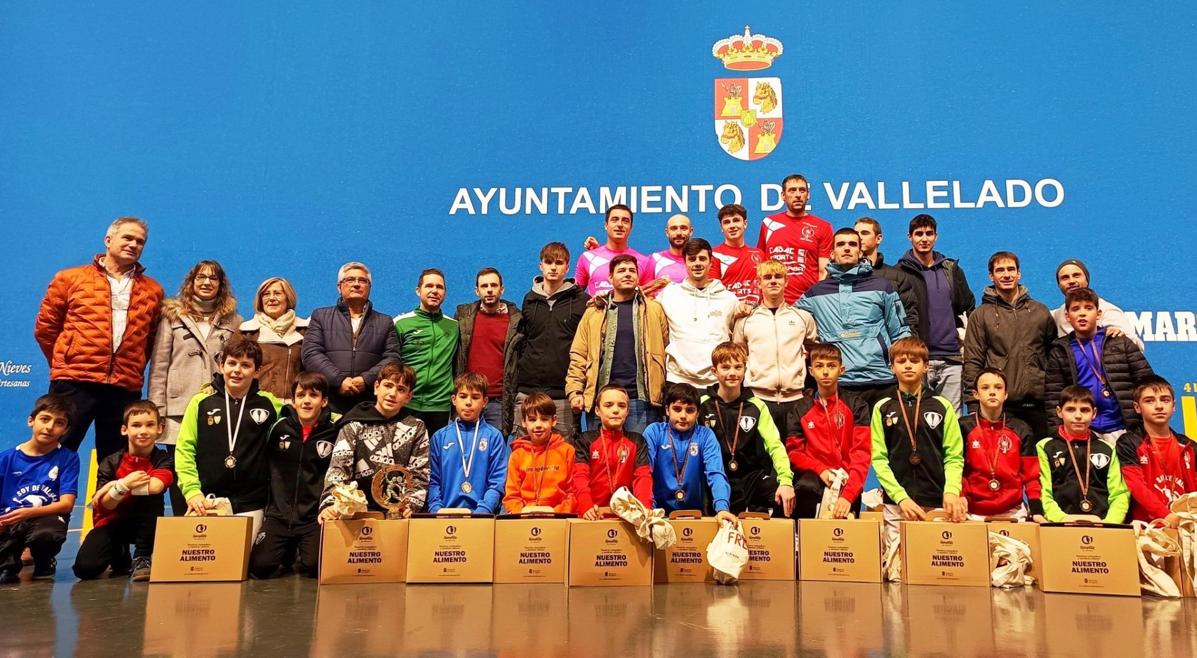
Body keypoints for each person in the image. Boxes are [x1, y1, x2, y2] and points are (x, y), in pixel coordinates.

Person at [35, 216, 164, 459]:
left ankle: (106, 499)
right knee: (58, 447)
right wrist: (67, 359)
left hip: (123, 387)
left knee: (117, 457)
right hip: (74, 381)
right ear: (108, 240)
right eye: (127, 237)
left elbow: (150, 341)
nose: (133, 244)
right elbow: (46, 328)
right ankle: (46, 498)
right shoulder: (70, 278)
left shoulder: (153, 290)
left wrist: (130, 367)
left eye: (140, 241)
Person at [175, 336, 282, 538]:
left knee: (243, 562)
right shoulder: (201, 402)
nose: (237, 370)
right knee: (207, 562)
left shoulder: (269, 405)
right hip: (208, 500)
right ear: (221, 365)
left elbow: (303, 415)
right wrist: (192, 492)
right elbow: (184, 450)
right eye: (231, 363)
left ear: (257, 371)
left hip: (251, 501)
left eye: (246, 365)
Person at [797, 228, 911, 411]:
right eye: (841, 244)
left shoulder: (882, 287)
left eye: (852, 244)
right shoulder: (815, 293)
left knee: (883, 439)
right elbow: (788, 322)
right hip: (839, 382)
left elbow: (900, 333)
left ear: (860, 251)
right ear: (832, 253)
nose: (847, 248)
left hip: (881, 381)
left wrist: (902, 371)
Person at [149, 260, 241, 481]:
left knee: (213, 472)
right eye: (201, 277)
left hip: (217, 407)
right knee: (180, 473)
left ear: (221, 284)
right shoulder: (172, 316)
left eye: (213, 278)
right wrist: (157, 411)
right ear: (191, 282)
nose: (206, 282)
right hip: (177, 410)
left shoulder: (235, 321)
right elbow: (159, 367)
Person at [871, 337, 966, 542]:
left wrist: (951, 491)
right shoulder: (883, 407)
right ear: (892, 367)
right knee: (897, 571)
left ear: (926, 366)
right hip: (897, 505)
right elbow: (879, 459)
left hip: (937, 499)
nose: (907, 365)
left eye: (914, 361)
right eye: (901, 361)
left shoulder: (942, 406)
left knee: (933, 565)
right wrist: (900, 497)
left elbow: (954, 456)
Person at [248, 372, 339, 579]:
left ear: (324, 401)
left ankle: (299, 549)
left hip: (312, 518)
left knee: (315, 567)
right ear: (293, 400)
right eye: (301, 395)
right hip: (279, 516)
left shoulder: (334, 432)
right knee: (259, 568)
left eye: (313, 395)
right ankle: (286, 550)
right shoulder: (278, 428)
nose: (306, 401)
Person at [566, 255, 668, 435]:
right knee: (601, 460)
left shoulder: (655, 310)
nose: (627, 274)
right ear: (610, 278)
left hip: (642, 401)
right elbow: (579, 355)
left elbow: (666, 349)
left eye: (632, 271)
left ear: (638, 277)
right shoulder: (593, 312)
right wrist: (575, 392)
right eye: (621, 271)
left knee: (640, 460)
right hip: (601, 400)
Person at [73, 400, 173, 582]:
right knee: (85, 569)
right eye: (136, 425)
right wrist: (124, 484)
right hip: (112, 522)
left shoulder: (163, 458)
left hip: (144, 524)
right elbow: (105, 504)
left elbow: (156, 486)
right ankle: (119, 550)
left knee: (151, 499)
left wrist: (114, 487)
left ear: (160, 428)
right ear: (124, 430)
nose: (143, 431)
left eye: (150, 425)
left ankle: (142, 556)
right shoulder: (111, 461)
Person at [961, 252, 1056, 437]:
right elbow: (973, 362)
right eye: (1000, 270)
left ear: (1019, 274)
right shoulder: (980, 315)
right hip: (1001, 406)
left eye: (1011, 269)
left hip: (1040, 405)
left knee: (1038, 463)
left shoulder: (1040, 311)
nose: (1006, 275)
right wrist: (972, 403)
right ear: (991, 276)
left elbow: (1054, 357)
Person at [319, 362, 430, 520]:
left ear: (408, 397)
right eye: (388, 385)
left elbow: (420, 474)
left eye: (401, 389)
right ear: (376, 387)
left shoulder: (416, 427)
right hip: (356, 513)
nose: (392, 394)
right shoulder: (354, 424)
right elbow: (338, 469)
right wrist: (330, 504)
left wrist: (410, 504)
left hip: (398, 514)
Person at [1044, 287, 1155, 443]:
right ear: (1067, 316)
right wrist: (1059, 436)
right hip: (1085, 432)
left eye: (1088, 308)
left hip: (1125, 429)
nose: (1082, 313)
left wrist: (1144, 428)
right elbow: (1053, 397)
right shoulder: (1060, 351)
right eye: (1076, 309)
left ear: (1099, 314)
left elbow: (1148, 384)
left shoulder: (1120, 342)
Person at [699, 342, 796, 517]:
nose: (732, 373)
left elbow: (775, 445)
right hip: (715, 478)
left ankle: (770, 540)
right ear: (714, 371)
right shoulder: (702, 405)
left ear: (745, 369)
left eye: (738, 367)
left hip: (750, 478)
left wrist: (786, 480)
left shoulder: (756, 406)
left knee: (785, 494)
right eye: (725, 367)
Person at [509, 242, 590, 440]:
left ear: (567, 267)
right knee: (523, 453)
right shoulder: (529, 299)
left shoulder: (581, 301)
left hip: (564, 393)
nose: (553, 267)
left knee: (565, 455)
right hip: (528, 390)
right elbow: (525, 339)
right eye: (548, 262)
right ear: (541, 266)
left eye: (559, 263)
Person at [897, 214, 976, 410]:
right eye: (919, 234)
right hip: (916, 360)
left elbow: (967, 306)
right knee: (916, 421)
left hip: (951, 359)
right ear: (910, 237)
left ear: (936, 237)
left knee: (952, 421)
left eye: (929, 233)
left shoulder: (951, 270)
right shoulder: (900, 273)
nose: (924, 239)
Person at [785, 343, 871, 519]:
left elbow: (862, 454)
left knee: (843, 534)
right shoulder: (800, 408)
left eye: (831, 366)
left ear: (842, 369)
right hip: (815, 478)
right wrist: (820, 469)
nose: (825, 372)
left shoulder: (856, 405)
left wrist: (848, 496)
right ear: (810, 370)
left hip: (847, 481)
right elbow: (794, 453)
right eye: (819, 366)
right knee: (805, 486)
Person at [733, 259, 819, 434]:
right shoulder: (745, 320)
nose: (773, 281)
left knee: (795, 456)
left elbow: (815, 352)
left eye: (778, 277)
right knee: (760, 457)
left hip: (795, 399)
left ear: (786, 281)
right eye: (767, 277)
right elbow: (738, 357)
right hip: (758, 399)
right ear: (759, 283)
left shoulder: (803, 318)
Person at [303, 262, 401, 414]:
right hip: (328, 402)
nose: (356, 284)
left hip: (368, 403)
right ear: (339, 287)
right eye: (350, 280)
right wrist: (339, 380)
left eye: (362, 281)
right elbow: (311, 354)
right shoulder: (320, 316)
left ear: (369, 287)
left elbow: (392, 358)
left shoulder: (385, 322)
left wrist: (365, 380)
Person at [0, 394, 79, 583]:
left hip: (45, 519)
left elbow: (66, 504)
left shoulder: (68, 458)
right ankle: (9, 564)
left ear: (66, 429)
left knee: (46, 535)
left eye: (59, 423)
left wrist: (28, 513)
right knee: (5, 574)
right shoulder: (6, 459)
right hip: (10, 519)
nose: (50, 427)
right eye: (45, 419)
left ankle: (44, 560)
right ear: (31, 421)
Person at [643, 383, 736, 521]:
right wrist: (647, 507)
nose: (683, 416)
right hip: (657, 513)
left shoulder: (705, 435)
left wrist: (722, 508)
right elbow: (644, 473)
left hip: (695, 514)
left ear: (698, 413)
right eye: (677, 409)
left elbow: (716, 473)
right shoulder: (654, 432)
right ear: (667, 410)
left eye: (690, 410)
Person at [957, 368, 1041, 521]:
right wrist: (960, 495)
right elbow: (956, 469)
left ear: (1006, 394)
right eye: (985, 387)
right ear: (975, 394)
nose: (992, 392)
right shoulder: (963, 427)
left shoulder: (1021, 429)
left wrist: (1037, 511)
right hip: (973, 512)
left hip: (1013, 512)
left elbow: (1031, 476)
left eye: (998, 387)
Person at [1037, 385, 1129, 523]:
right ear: (1059, 412)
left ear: (1094, 413)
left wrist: (1110, 523)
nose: (1078, 416)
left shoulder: (1107, 449)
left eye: (1085, 410)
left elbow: (1119, 493)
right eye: (1070, 410)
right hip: (1059, 524)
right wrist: (1060, 519)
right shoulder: (1045, 447)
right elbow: (1043, 492)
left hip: (1102, 523)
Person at [657, 238, 740, 388]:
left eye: (702, 258)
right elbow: (644, 308)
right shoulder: (669, 294)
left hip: (717, 382)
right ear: (685, 262)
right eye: (692, 259)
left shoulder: (729, 299)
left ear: (710, 262)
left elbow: (739, 336)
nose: (697, 264)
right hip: (678, 380)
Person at [1116, 377, 1197, 525]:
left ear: (1174, 406)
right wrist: (1165, 515)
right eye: (1150, 401)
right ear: (1137, 407)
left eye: (1165, 400)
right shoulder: (1129, 442)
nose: (1159, 406)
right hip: (1147, 528)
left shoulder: (1189, 445)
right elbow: (1136, 486)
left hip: (1187, 525)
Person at [426, 373, 509, 514]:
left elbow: (497, 481)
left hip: (482, 517)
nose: (468, 402)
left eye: (475, 397)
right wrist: (436, 510)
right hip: (443, 514)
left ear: (485, 402)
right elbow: (433, 480)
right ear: (454, 399)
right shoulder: (439, 437)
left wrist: (483, 511)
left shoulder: (494, 437)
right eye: (463, 396)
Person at [571, 386, 654, 519]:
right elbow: (580, 476)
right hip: (592, 513)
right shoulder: (585, 440)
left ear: (627, 411)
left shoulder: (637, 441)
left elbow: (642, 477)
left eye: (621, 406)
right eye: (608, 405)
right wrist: (585, 504)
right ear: (597, 410)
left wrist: (645, 505)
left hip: (628, 515)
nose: (615, 410)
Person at [455, 268, 521, 433]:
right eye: (484, 286)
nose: (489, 289)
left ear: (502, 289)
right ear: (477, 291)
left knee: (493, 454)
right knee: (464, 454)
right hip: (467, 397)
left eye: (494, 285)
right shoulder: (463, 318)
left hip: (498, 402)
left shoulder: (517, 321)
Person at [395, 268, 459, 435]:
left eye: (439, 287)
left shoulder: (454, 326)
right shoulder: (401, 323)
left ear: (445, 292)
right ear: (418, 290)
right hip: (407, 402)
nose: (434, 291)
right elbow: (391, 364)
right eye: (429, 286)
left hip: (440, 406)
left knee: (436, 459)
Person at [757, 174, 832, 303]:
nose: (797, 195)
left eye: (802, 190)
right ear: (783, 196)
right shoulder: (768, 223)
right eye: (792, 190)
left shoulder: (822, 227)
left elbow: (823, 271)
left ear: (808, 195)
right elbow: (761, 266)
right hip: (773, 301)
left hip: (807, 303)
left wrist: (817, 301)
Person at [503, 392, 577, 513]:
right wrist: (522, 513)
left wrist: (556, 513)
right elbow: (512, 496)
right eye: (532, 420)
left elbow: (572, 493)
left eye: (544, 419)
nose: (538, 425)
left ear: (554, 421)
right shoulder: (517, 455)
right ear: (523, 422)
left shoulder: (567, 451)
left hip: (559, 519)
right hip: (524, 518)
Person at [239, 277, 309, 402]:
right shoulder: (246, 332)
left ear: (288, 298)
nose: (271, 298)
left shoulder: (305, 331)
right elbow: (232, 367)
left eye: (277, 293)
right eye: (266, 294)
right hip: (256, 405)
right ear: (260, 301)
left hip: (294, 407)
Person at [1051, 259, 1143, 350]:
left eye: (1076, 275)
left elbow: (1138, 347)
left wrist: (1121, 338)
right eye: (1065, 278)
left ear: (1087, 280)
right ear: (1059, 285)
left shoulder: (1108, 310)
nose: (1071, 281)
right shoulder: (1056, 315)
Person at [853, 217, 920, 331]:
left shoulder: (898, 277)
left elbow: (909, 317)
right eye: (856, 233)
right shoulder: (840, 275)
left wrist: (905, 346)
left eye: (864, 233)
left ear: (878, 238)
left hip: (889, 346)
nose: (859, 237)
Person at [574, 204, 654, 296]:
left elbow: (649, 299)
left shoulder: (644, 261)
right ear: (606, 225)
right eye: (614, 220)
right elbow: (575, 298)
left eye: (625, 221)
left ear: (631, 228)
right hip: (597, 310)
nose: (620, 224)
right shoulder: (588, 258)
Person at [712, 203, 765, 305]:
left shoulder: (759, 254)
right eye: (727, 222)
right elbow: (713, 292)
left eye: (736, 220)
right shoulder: (714, 255)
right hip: (728, 315)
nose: (732, 226)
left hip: (756, 314)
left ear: (745, 223)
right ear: (721, 227)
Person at [649, 214, 721, 286]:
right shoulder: (654, 259)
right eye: (674, 228)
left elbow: (714, 291)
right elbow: (645, 293)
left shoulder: (708, 261)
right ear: (667, 232)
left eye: (683, 228)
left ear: (691, 231)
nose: (679, 233)